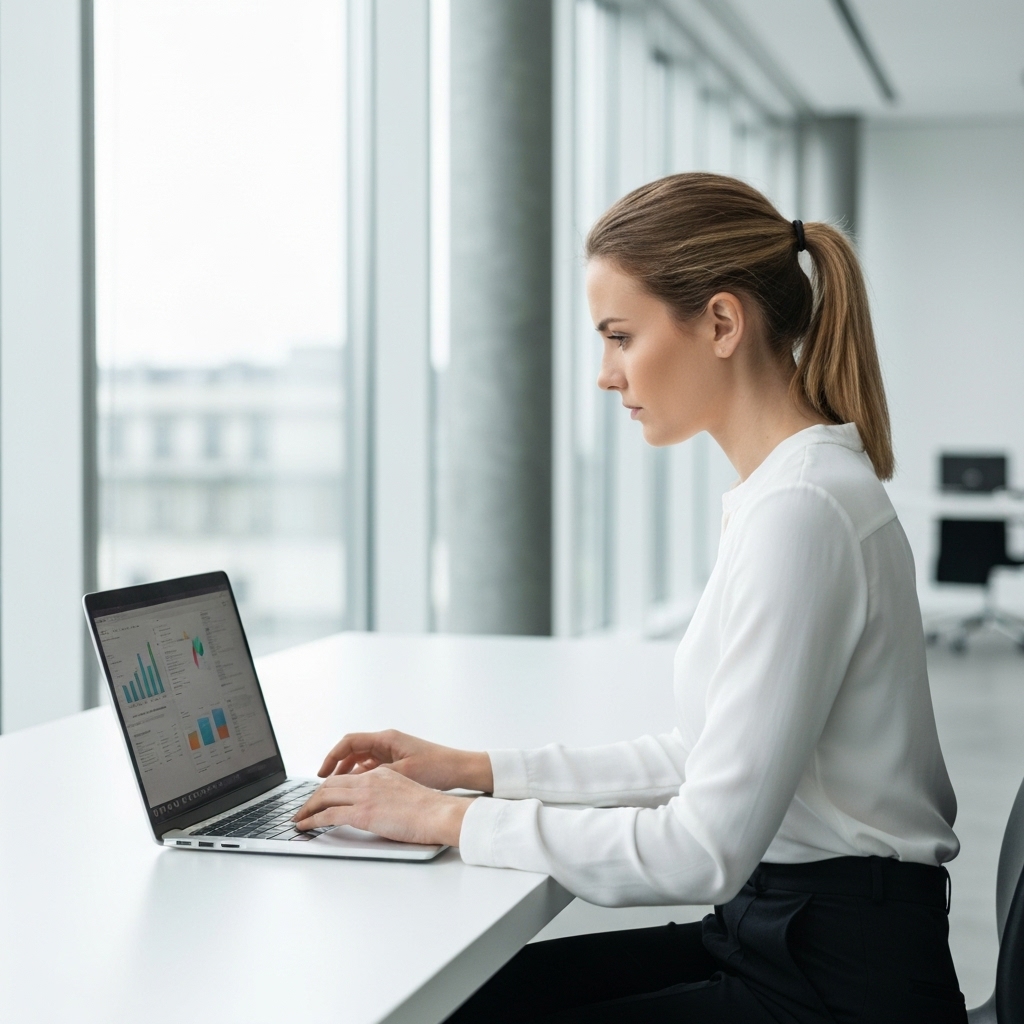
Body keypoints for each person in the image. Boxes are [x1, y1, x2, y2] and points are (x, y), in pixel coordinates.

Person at [291, 172, 967, 1023]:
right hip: (784, 932)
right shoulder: (788, 492)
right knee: (468, 1000)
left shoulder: (803, 511)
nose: (606, 376)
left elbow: (700, 851)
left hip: (835, 983)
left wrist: (445, 821)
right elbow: (705, 756)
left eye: (620, 337)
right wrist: (474, 772)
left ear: (721, 323)